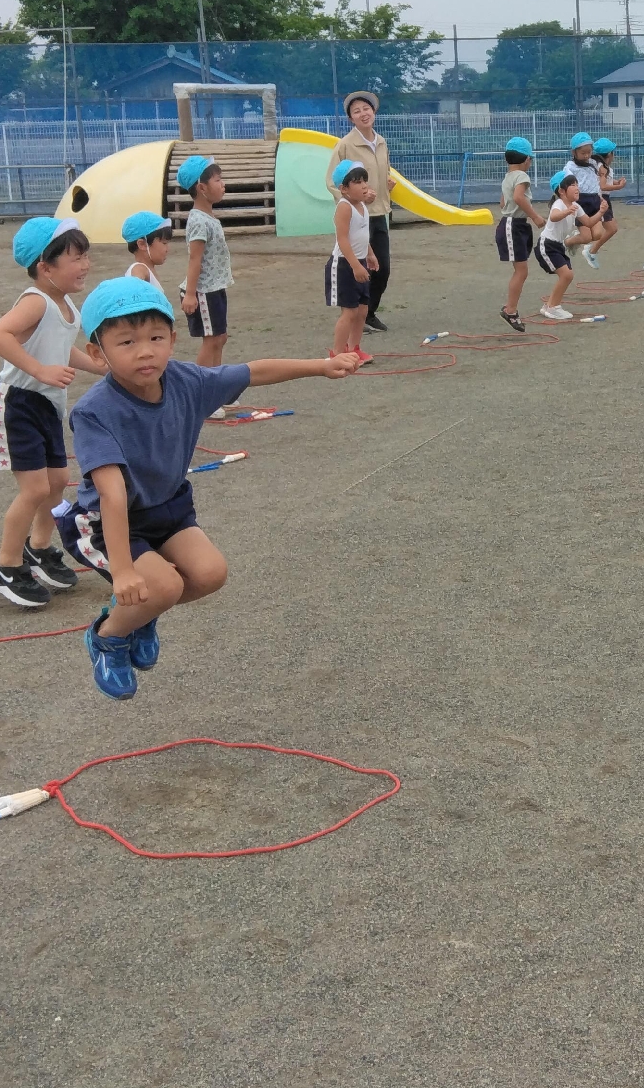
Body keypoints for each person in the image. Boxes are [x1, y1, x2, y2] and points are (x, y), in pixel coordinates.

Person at [55, 278, 358, 698]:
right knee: (163, 586)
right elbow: (112, 495)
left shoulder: (187, 381)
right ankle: (108, 635)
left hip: (168, 509)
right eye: (126, 342)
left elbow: (253, 371)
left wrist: (320, 366)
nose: (145, 351)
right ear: (97, 353)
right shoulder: (95, 411)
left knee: (210, 574)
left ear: (173, 339)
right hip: (106, 523)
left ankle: (140, 613)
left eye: (156, 337)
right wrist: (122, 572)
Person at [0, 216, 103, 608]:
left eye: (85, 256)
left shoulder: (65, 304)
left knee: (57, 481)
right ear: (46, 268)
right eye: (75, 258)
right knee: (34, 490)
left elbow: (62, 348)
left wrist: (101, 367)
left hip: (45, 406)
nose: (85, 265)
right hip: (16, 404)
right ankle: (5, 564)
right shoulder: (36, 301)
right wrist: (40, 370)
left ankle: (39, 547)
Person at [326, 90, 395, 334]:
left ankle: (368, 313)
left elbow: (384, 171)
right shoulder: (345, 145)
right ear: (351, 118)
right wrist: (354, 201)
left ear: (374, 111)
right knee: (357, 266)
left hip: (380, 212)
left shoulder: (381, 142)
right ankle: (354, 314)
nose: (363, 113)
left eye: (366, 109)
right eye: (356, 111)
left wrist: (387, 184)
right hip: (357, 216)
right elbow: (332, 182)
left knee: (382, 268)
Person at [179, 155, 233, 366]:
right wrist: (190, 294)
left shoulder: (208, 217)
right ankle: (200, 382)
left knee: (220, 338)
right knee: (211, 341)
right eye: (218, 180)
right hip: (203, 291)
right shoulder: (199, 221)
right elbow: (195, 258)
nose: (223, 184)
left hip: (214, 287)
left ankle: (215, 381)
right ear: (202, 188)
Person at [326, 160, 377, 363]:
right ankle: (337, 354)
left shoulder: (362, 206)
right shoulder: (344, 207)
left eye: (364, 180)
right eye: (357, 182)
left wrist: (370, 254)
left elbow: (361, 234)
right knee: (349, 311)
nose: (364, 185)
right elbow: (343, 239)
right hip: (344, 265)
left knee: (362, 310)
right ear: (344, 189)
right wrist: (355, 265)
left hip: (360, 262)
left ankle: (354, 348)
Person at [494, 136, 542, 332]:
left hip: (514, 224)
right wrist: (535, 217)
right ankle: (510, 310)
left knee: (521, 270)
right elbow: (517, 198)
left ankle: (510, 308)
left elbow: (502, 202)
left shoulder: (508, 177)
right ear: (527, 159)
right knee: (521, 271)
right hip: (513, 225)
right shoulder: (522, 177)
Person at [535, 169, 582, 321]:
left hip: (558, 246)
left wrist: (601, 213)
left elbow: (588, 221)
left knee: (568, 275)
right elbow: (554, 216)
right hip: (547, 245)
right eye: (572, 185)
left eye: (577, 184)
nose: (577, 187)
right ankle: (552, 307)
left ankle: (550, 305)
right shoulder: (559, 203)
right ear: (561, 191)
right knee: (566, 275)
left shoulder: (575, 205)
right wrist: (567, 211)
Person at [562, 133, 610, 267]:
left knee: (598, 234)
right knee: (586, 237)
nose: (587, 155)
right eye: (583, 153)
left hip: (595, 201)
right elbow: (567, 184)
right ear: (574, 152)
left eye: (589, 152)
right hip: (581, 203)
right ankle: (566, 242)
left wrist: (601, 198)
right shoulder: (570, 166)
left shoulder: (593, 163)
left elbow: (596, 182)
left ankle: (574, 239)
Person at [122, 211, 172, 291]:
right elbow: (134, 289)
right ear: (142, 244)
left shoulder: (149, 270)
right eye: (164, 243)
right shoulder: (140, 269)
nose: (167, 249)